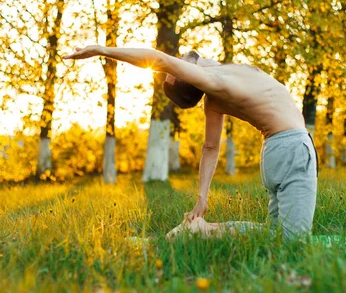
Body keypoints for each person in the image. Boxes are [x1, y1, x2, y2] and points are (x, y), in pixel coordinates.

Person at [63, 45, 318, 238]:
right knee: (295, 241)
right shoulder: (215, 82)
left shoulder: (216, 86)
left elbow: (211, 148)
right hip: (292, 148)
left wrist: (202, 197)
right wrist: (101, 50)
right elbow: (159, 60)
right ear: (188, 76)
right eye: (176, 70)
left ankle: (201, 229)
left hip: (277, 150)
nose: (179, 58)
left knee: (274, 234)